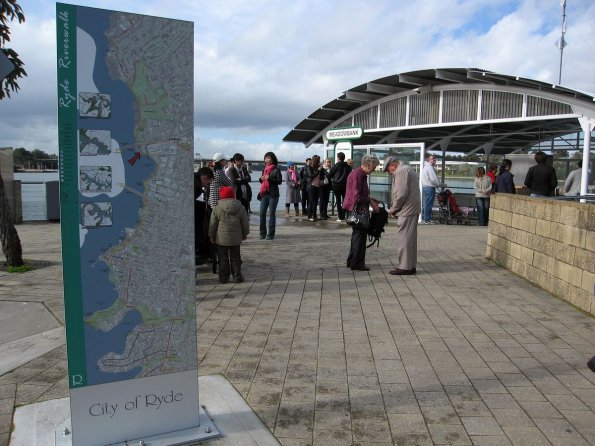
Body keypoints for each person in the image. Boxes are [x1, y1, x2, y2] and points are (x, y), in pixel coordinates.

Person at [342, 154, 380, 272]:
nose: (374, 169)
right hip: (358, 210)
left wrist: (371, 199)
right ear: (369, 165)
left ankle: (352, 260)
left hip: (355, 209)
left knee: (356, 236)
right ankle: (357, 263)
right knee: (360, 237)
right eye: (374, 167)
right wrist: (370, 201)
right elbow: (357, 196)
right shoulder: (358, 175)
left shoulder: (358, 174)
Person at [384, 156, 420, 275]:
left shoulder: (401, 171)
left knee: (404, 239)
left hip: (406, 210)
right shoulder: (408, 169)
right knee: (410, 240)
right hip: (412, 209)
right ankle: (410, 266)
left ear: (392, 165)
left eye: (388, 169)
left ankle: (405, 266)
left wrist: (393, 209)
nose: (389, 172)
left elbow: (401, 194)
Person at [209, 186, 249, 283]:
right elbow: (245, 223)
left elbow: (213, 224)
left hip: (221, 239)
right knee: (236, 258)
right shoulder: (240, 207)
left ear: (221, 196)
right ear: (233, 195)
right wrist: (245, 234)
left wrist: (212, 236)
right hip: (235, 239)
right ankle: (237, 277)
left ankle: (223, 278)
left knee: (223, 258)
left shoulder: (217, 208)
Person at [258, 151, 283, 240]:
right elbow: (263, 181)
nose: (267, 159)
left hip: (273, 194)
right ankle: (262, 233)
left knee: (272, 213)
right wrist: (261, 179)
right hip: (264, 193)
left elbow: (279, 182)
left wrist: (270, 178)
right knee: (262, 213)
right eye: (266, 158)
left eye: (268, 158)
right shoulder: (264, 169)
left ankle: (271, 234)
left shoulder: (277, 169)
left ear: (273, 159)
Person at [420, 154, 446, 224]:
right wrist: (442, 185)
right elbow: (434, 180)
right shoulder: (429, 168)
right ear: (429, 160)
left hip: (425, 187)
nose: (434, 160)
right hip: (429, 188)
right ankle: (427, 219)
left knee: (426, 203)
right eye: (433, 159)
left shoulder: (425, 167)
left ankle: (424, 217)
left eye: (435, 159)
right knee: (428, 204)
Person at [328, 151, 352, 222]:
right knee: (345, 200)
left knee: (338, 201)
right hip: (345, 185)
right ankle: (344, 214)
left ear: (338, 158)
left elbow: (329, 174)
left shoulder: (336, 165)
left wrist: (333, 179)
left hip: (337, 185)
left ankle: (340, 217)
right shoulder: (348, 167)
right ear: (344, 158)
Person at [303, 155, 325, 222]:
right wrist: (318, 170)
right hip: (311, 186)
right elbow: (311, 177)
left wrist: (321, 171)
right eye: (318, 160)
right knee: (311, 201)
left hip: (317, 186)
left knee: (315, 202)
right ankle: (310, 216)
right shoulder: (309, 168)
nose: (319, 161)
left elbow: (321, 177)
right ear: (315, 160)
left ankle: (314, 215)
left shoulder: (317, 168)